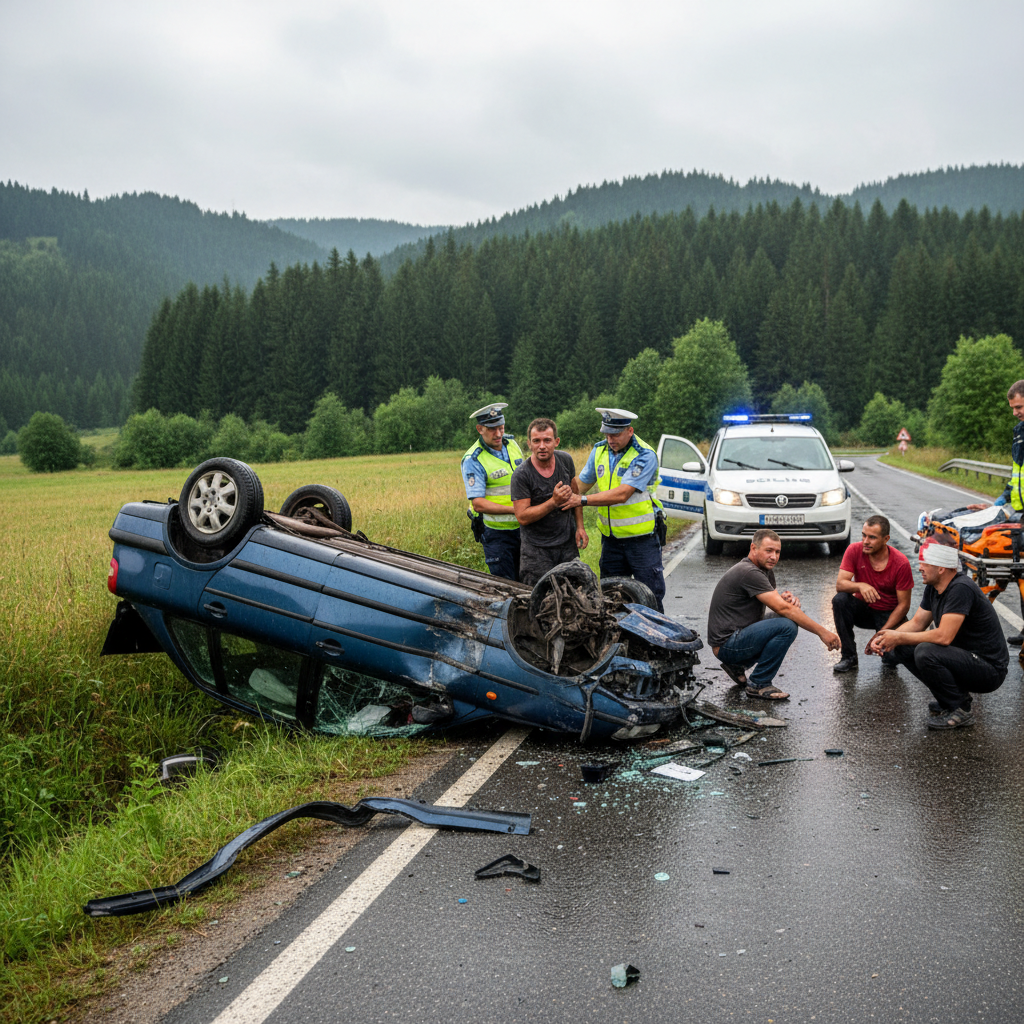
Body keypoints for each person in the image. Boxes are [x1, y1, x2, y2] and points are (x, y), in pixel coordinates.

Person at [869, 538, 1008, 729]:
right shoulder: (933, 587)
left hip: (989, 669)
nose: (920, 568)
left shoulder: (961, 588)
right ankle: (949, 699)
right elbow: (917, 622)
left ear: (941, 568)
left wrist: (898, 637)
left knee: (925, 651)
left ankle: (961, 709)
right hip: (964, 658)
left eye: (924, 564)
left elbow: (944, 636)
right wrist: (885, 637)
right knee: (903, 646)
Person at [707, 529, 840, 699]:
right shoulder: (749, 572)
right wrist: (823, 632)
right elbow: (784, 609)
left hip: (735, 638)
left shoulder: (764, 570)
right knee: (787, 626)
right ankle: (759, 683)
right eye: (768, 550)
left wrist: (788, 600)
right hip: (727, 645)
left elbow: (779, 604)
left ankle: (737, 666)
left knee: (785, 619)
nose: (774, 557)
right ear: (753, 548)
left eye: (777, 552)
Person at [566, 408, 667, 611]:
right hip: (611, 541)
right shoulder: (599, 451)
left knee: (650, 597)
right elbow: (580, 485)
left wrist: (581, 500)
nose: (610, 439)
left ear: (630, 431)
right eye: (607, 434)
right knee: (611, 597)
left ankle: (655, 633)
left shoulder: (644, 454)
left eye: (616, 434)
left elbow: (622, 494)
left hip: (641, 540)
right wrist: (560, 496)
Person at [964, 379, 1024, 643]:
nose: (1015, 412)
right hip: (1020, 513)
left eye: (1019, 407)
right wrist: (996, 507)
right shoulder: (1019, 433)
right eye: (1013, 408)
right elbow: (1016, 479)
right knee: (1020, 571)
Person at [510, 418, 588, 586]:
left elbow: (575, 495)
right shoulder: (522, 475)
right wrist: (553, 502)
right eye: (536, 441)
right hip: (536, 551)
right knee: (541, 597)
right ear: (529, 444)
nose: (542, 446)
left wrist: (580, 527)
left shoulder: (565, 461)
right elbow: (522, 516)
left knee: (574, 592)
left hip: (567, 546)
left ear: (556, 442)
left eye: (547, 440)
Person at [831, 515, 913, 672]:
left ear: (886, 539)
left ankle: (889, 656)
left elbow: (904, 605)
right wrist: (860, 586)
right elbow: (840, 584)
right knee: (840, 600)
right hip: (864, 611)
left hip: (889, 614)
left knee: (899, 658)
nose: (866, 541)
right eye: (864, 535)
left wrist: (881, 634)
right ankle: (849, 657)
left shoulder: (901, 563)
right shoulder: (854, 550)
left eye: (872, 537)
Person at [461, 403, 525, 581]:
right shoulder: (473, 459)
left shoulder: (512, 444)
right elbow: (478, 504)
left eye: (501, 427)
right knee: (506, 584)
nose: (498, 434)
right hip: (497, 534)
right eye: (491, 429)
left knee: (529, 580)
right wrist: (516, 510)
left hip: (523, 528)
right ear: (480, 429)